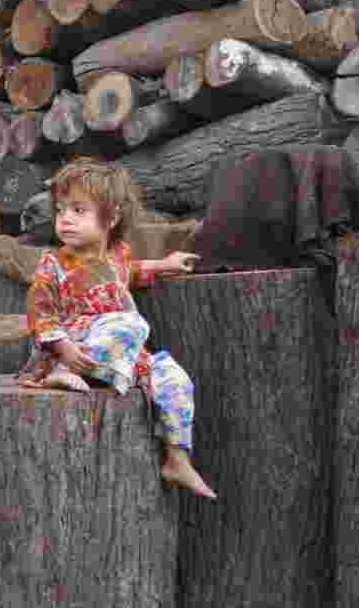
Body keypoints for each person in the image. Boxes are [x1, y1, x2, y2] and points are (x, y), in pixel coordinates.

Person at [18, 155, 217, 500]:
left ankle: (177, 457)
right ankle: (63, 375)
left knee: (174, 377)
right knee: (128, 324)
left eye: (78, 210)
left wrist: (164, 264)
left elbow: (132, 271)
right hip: (71, 350)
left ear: (110, 217)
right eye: (61, 210)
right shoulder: (53, 265)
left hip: (121, 350)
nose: (65, 219)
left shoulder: (117, 255)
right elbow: (40, 312)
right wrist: (63, 348)